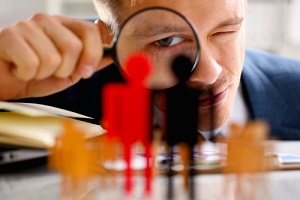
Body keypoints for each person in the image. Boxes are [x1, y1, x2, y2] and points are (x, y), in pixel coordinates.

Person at [0, 0, 300, 140]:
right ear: (109, 39)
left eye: (225, 32)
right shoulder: (44, 98)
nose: (209, 72)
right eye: (167, 40)